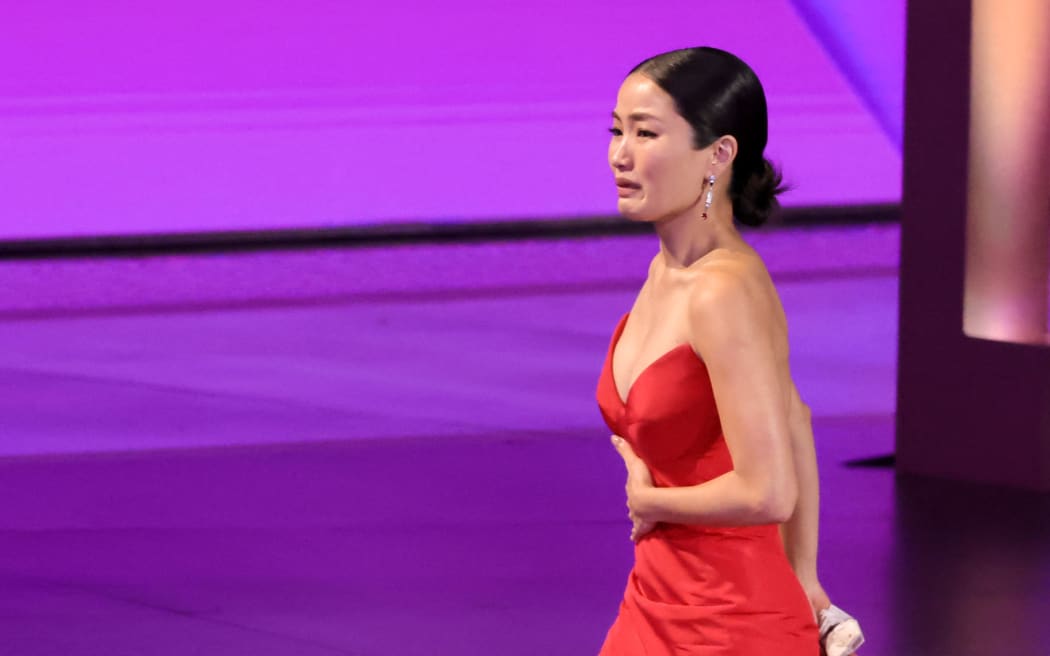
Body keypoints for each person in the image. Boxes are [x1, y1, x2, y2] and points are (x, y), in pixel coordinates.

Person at [595, 46, 863, 655]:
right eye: (616, 130)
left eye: (647, 133)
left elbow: (768, 491)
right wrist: (807, 574)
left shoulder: (724, 290)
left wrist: (650, 500)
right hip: (654, 599)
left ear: (718, 153)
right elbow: (794, 417)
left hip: (730, 623)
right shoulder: (665, 273)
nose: (620, 155)